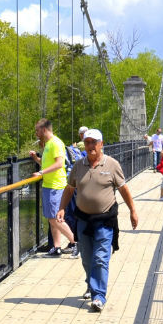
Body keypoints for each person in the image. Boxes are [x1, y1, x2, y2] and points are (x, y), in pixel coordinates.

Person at [57, 128, 140, 313]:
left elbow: (123, 189)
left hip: (105, 220)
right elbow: (69, 189)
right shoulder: (78, 166)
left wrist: (133, 211)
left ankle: (98, 296)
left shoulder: (112, 164)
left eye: (94, 142)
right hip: (83, 220)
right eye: (87, 142)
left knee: (101, 258)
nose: (90, 146)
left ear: (101, 144)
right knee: (87, 259)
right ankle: (91, 285)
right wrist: (62, 208)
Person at [27, 118, 78, 257]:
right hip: (49, 185)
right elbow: (48, 164)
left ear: (44, 130)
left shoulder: (55, 143)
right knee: (52, 217)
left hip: (55, 186)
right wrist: (36, 160)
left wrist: (41, 172)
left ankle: (75, 243)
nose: (36, 133)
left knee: (55, 218)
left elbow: (59, 164)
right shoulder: (49, 144)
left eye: (37, 130)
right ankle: (57, 247)